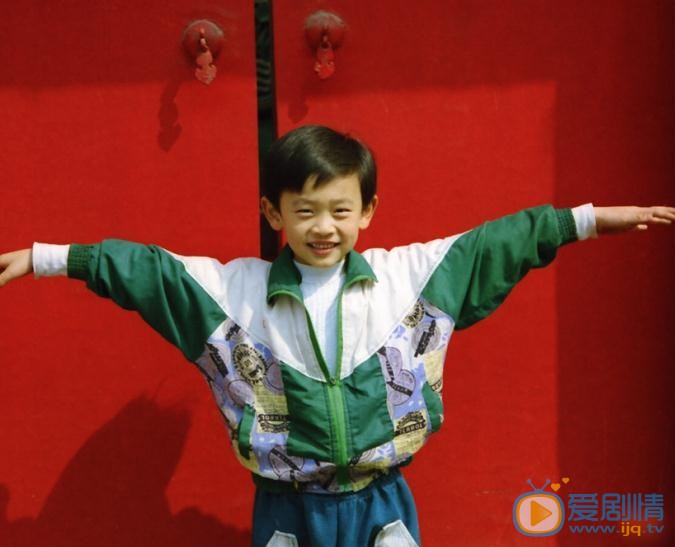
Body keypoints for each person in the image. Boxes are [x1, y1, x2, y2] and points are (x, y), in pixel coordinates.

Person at [0, 125, 673, 547]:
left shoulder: (406, 278)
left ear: (367, 211)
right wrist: (44, 256)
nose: (323, 226)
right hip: (287, 509)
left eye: (340, 210)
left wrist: (588, 219)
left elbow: (498, 242)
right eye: (305, 210)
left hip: (382, 502)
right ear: (274, 214)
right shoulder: (233, 293)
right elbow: (149, 272)